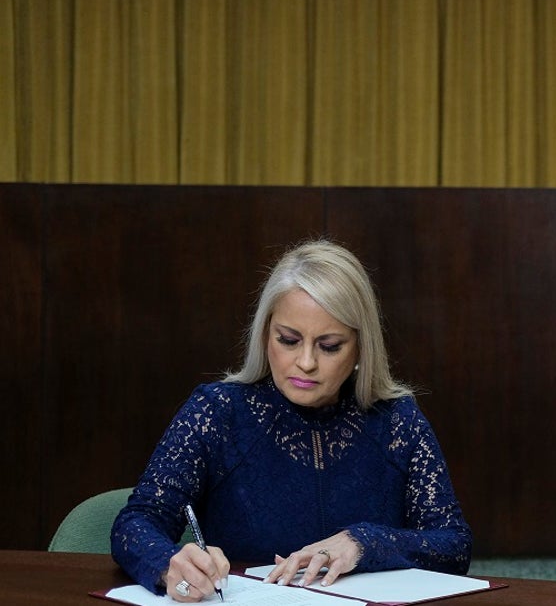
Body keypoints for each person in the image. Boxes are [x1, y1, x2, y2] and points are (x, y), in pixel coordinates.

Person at [112, 239, 471, 602]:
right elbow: (137, 523)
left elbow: (453, 544)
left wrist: (364, 543)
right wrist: (169, 563)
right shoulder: (217, 412)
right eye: (288, 340)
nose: (306, 362)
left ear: (362, 347)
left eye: (329, 345)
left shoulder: (397, 421)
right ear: (266, 333)